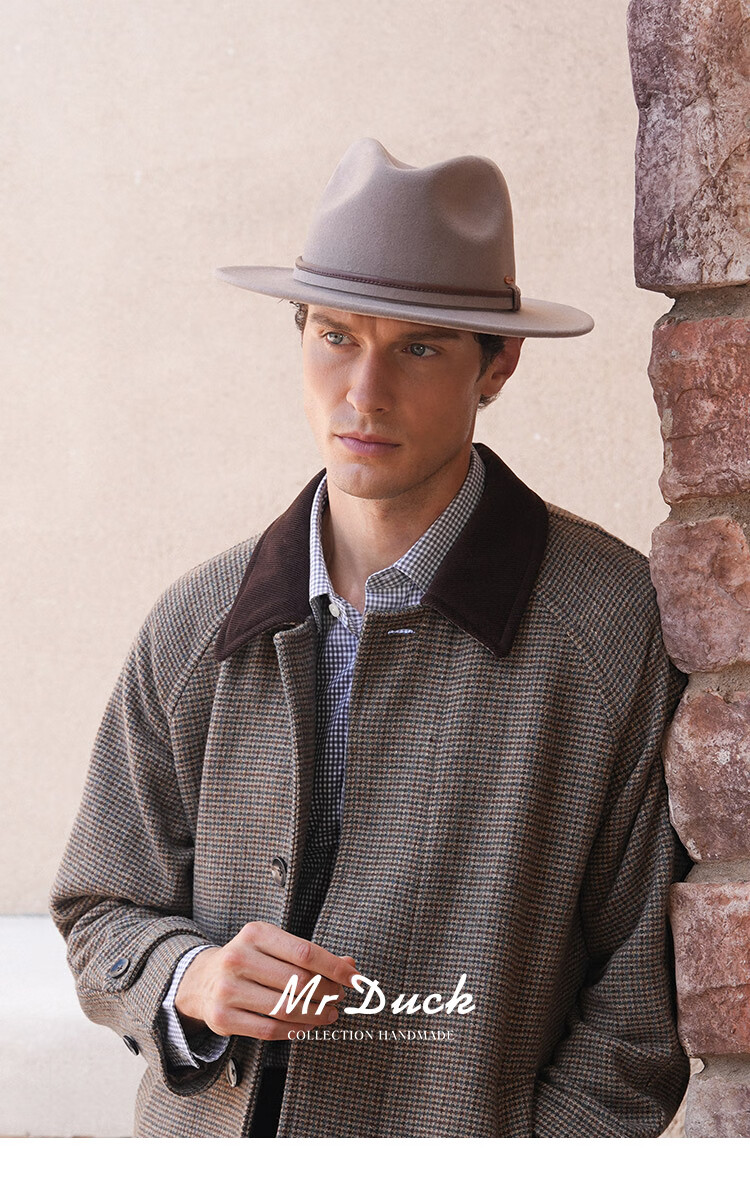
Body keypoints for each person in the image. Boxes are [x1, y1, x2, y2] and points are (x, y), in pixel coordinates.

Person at [50, 138, 690, 1138]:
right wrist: (191, 977)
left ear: (499, 363)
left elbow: (638, 1021)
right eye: (337, 336)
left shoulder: (612, 631)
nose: (364, 391)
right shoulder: (195, 623)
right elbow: (100, 909)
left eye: (419, 348)